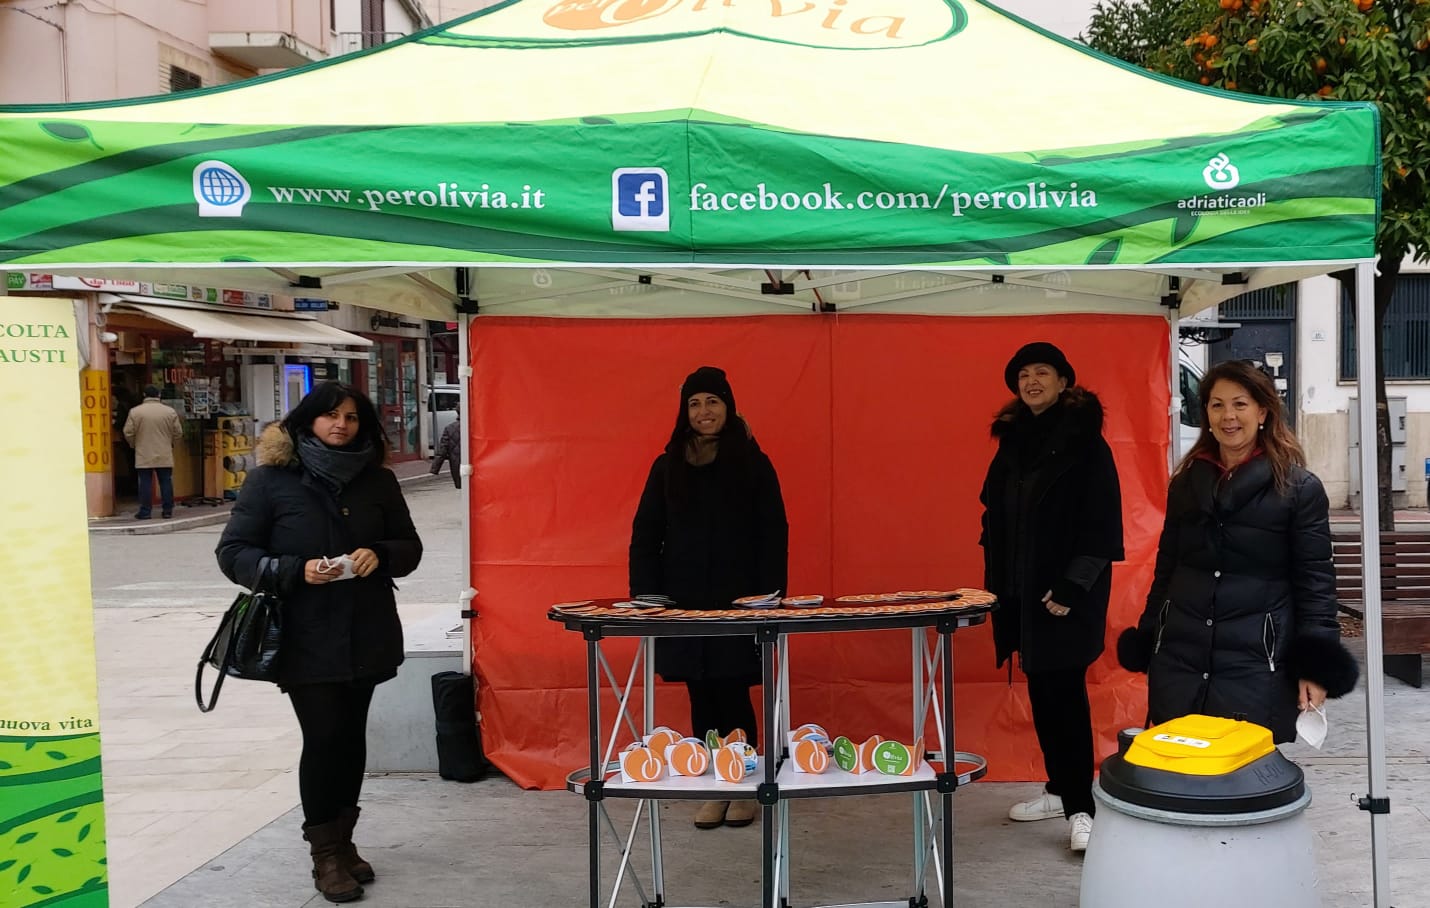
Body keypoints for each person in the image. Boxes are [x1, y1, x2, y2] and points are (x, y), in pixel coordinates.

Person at [216, 382, 423, 904]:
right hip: (303, 635)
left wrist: (381, 553)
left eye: (351, 417)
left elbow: (410, 547)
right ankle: (324, 854)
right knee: (325, 736)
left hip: (367, 630)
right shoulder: (270, 481)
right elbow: (234, 553)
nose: (341, 425)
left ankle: (345, 842)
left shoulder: (377, 479)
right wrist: (293, 570)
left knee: (351, 739)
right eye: (331, 415)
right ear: (308, 420)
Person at [1117, 360, 1358, 744]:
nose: (1228, 416)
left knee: (1243, 772)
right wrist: (1150, 635)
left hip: (1256, 665)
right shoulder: (1186, 483)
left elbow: (1316, 583)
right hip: (1180, 659)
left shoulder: (1298, 489)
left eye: (1240, 404)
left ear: (1262, 412)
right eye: (1217, 405)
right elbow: (1167, 569)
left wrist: (1314, 666)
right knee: (1180, 769)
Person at [978, 342, 1123, 854]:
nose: (1032, 381)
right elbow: (994, 511)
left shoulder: (1086, 444)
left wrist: (1071, 586)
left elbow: (1102, 524)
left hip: (1063, 594)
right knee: (1042, 693)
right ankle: (1060, 791)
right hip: (1021, 594)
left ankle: (1083, 807)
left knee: (1064, 698)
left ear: (1064, 382)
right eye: (1023, 374)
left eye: (1043, 372)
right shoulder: (1013, 442)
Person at [629, 366, 788, 831]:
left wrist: (768, 598)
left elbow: (773, 533)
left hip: (738, 600)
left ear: (728, 407)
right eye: (695, 403)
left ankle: (744, 786)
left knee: (733, 689)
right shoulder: (667, 465)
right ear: (685, 412)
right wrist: (648, 597)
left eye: (713, 402)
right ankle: (717, 785)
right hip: (684, 601)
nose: (704, 411)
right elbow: (646, 533)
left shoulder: (753, 463)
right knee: (700, 692)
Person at [123, 385, 184, 519]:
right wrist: (171, 444)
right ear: (159, 395)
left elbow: (128, 432)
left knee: (145, 482)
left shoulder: (135, 412)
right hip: (164, 452)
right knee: (165, 481)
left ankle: (145, 511)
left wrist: (134, 444)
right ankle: (167, 510)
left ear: (144, 395)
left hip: (143, 452)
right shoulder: (170, 412)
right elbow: (178, 432)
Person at [430, 411, 462, 488]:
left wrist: (435, 468)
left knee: (463, 488)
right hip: (478, 467)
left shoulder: (450, 428)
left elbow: (442, 450)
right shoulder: (478, 426)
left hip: (457, 465)